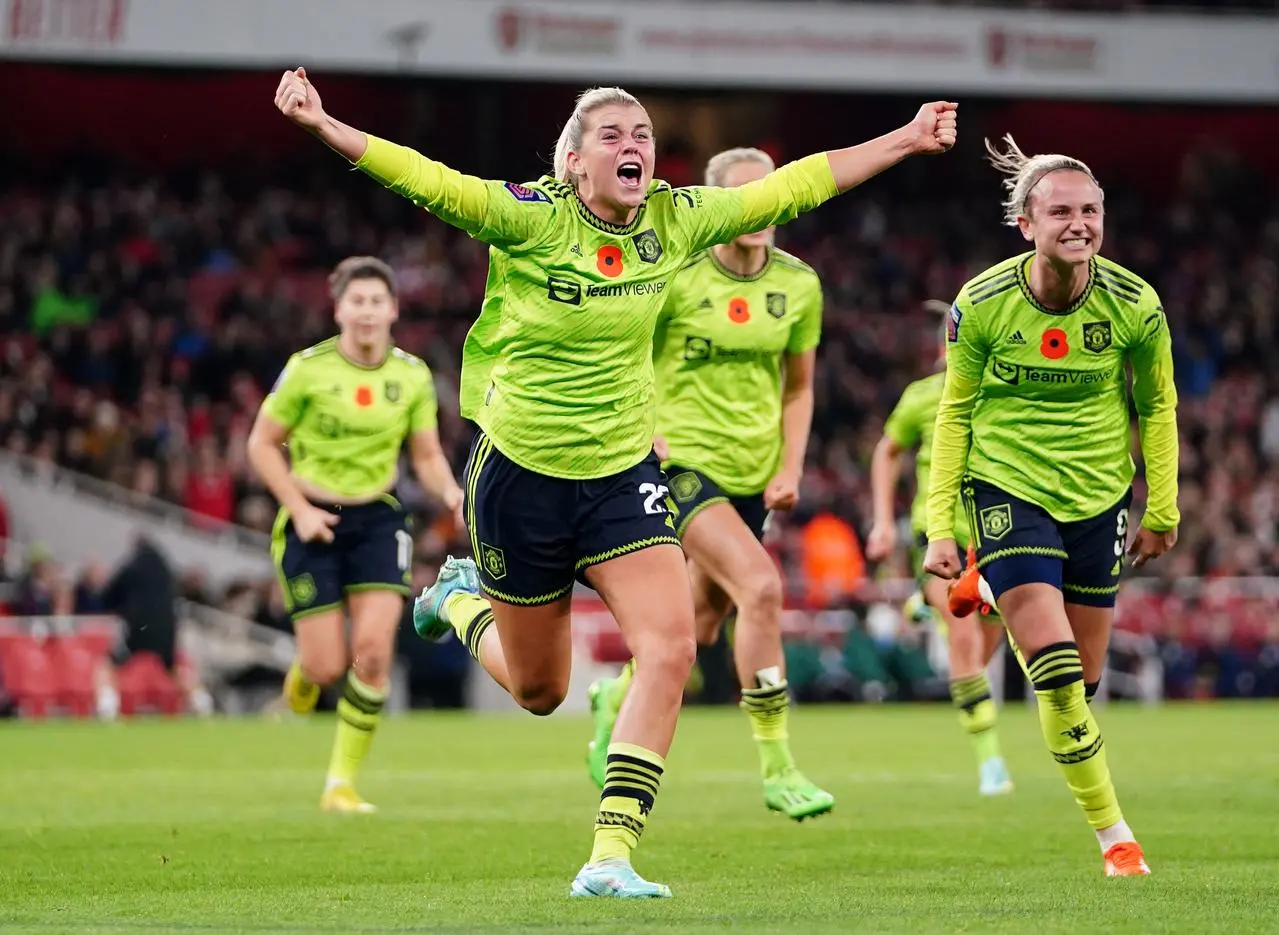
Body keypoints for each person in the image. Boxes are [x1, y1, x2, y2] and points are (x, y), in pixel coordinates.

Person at [275, 65, 957, 897]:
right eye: (613, 135)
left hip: (623, 472)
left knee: (669, 647)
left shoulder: (674, 220)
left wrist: (906, 138)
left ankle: (609, 855)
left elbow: (796, 185)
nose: (635, 146)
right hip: (519, 476)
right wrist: (324, 126)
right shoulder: (526, 218)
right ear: (570, 162)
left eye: (643, 135)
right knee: (539, 689)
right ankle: (457, 600)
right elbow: (424, 175)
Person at [923, 135, 1179, 877]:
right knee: (1058, 672)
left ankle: (994, 590)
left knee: (1084, 682)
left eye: (1090, 209)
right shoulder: (981, 303)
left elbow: (1156, 406)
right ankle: (1115, 837)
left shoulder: (1135, 303)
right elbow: (953, 415)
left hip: (1099, 497)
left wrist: (1161, 506)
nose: (1079, 222)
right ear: (1025, 224)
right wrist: (942, 522)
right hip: (1007, 489)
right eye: (1060, 210)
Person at [583, 146, 833, 821]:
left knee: (697, 621)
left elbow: (799, 386)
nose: (757, 211)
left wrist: (789, 466)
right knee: (760, 586)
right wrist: (642, 427)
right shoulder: (676, 274)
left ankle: (617, 693)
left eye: (768, 197)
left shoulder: (799, 286)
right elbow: (624, 344)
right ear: (717, 204)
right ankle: (778, 766)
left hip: (754, 471)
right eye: (743, 198)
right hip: (681, 463)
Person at [246, 255, 463, 814]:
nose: (367, 312)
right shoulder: (307, 369)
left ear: (393, 309)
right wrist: (299, 508)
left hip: (378, 518)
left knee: (372, 653)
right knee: (324, 667)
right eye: (356, 301)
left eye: (376, 302)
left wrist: (452, 493)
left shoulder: (411, 375)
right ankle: (302, 680)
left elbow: (426, 455)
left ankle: (339, 784)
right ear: (338, 308)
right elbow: (261, 445)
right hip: (310, 516)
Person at [866, 301, 1013, 797]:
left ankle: (924, 609)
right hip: (940, 537)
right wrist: (884, 521)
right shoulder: (924, 397)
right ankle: (990, 760)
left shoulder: (1004, 394)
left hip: (998, 535)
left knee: (984, 641)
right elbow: (886, 451)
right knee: (967, 641)